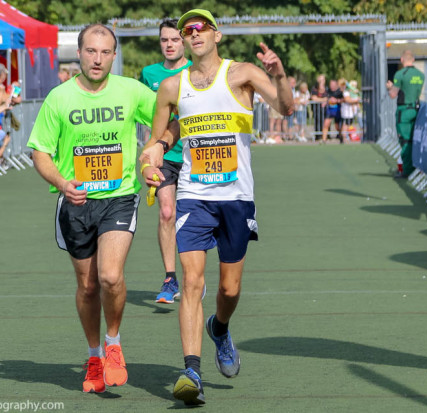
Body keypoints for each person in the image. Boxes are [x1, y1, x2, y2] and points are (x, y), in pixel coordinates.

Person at [140, 9, 293, 406]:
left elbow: (286, 108)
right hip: (193, 193)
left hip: (237, 197)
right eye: (186, 29)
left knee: (229, 288)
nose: (192, 34)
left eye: (200, 27)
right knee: (192, 282)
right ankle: (191, 370)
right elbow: (157, 141)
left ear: (216, 35)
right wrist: (149, 164)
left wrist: (277, 73)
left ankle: (220, 328)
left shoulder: (242, 74)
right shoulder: (172, 86)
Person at [27, 23, 176, 394]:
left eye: (105, 52)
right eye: (90, 51)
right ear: (79, 53)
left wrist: (157, 148)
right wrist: (62, 183)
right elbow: (40, 152)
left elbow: (171, 118)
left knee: (110, 276)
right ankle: (93, 354)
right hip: (75, 202)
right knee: (88, 285)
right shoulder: (59, 98)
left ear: (114, 56)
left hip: (120, 196)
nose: (97, 58)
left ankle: (113, 343)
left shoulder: (131, 91)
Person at [139, 18, 192, 304]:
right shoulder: (149, 74)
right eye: (164, 40)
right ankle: (170, 278)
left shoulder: (195, 70)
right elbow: (143, 111)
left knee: (195, 217)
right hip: (165, 155)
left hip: (195, 154)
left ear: (183, 41)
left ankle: (194, 278)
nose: (169, 44)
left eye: (174, 39)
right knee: (167, 212)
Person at [387, 50, 424, 178]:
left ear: (402, 60)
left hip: (404, 111)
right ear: (413, 59)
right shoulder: (420, 75)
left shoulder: (400, 74)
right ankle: (416, 167)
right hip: (416, 109)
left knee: (405, 140)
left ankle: (407, 170)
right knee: (416, 140)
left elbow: (393, 94)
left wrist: (390, 87)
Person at [321, 79, 343, 143]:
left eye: (333, 85)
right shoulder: (328, 91)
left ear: (336, 85)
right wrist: (326, 101)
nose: (332, 86)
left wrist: (337, 100)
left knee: (337, 126)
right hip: (330, 110)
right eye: (331, 85)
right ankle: (324, 139)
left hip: (337, 111)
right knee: (326, 124)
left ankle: (341, 136)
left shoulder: (340, 92)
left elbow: (344, 99)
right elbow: (325, 98)